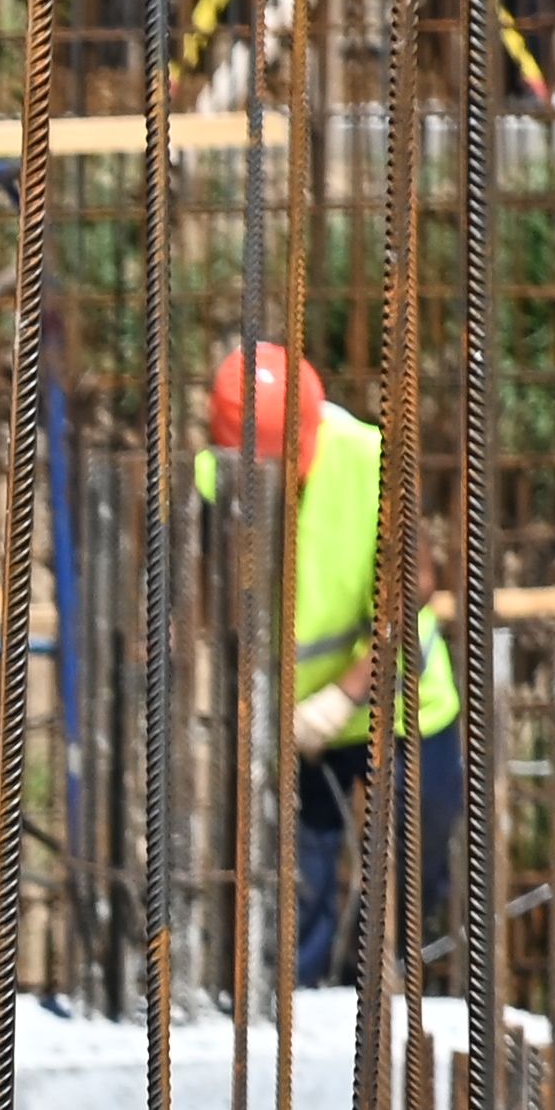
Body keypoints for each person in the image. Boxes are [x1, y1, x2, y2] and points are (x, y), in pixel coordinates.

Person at [201, 339, 464, 989]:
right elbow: (206, 609)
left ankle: (386, 998)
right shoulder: (215, 483)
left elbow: (416, 588)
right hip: (291, 720)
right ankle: (298, 1020)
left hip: (397, 700)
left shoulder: (369, 458)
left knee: (415, 857)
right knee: (298, 889)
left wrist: (345, 696)